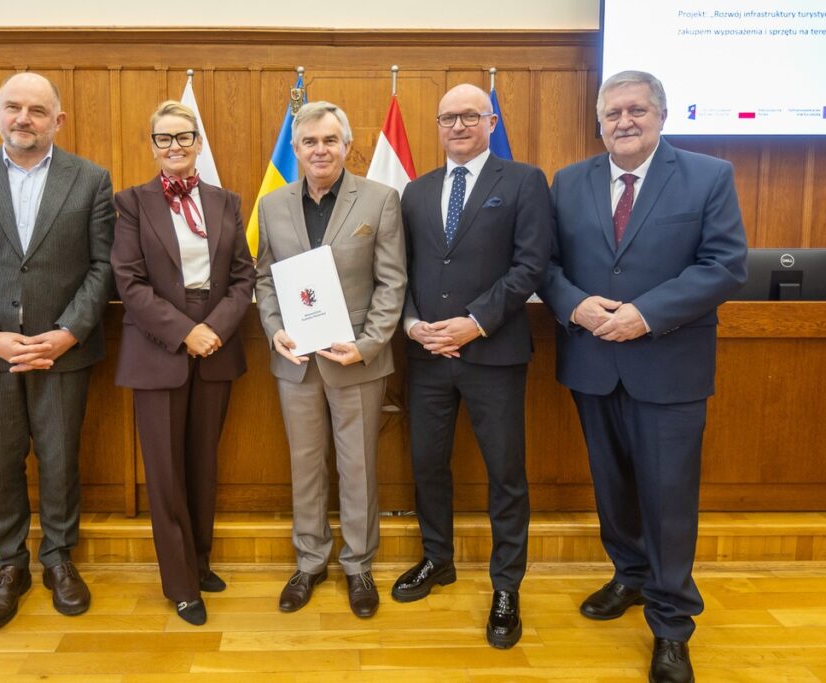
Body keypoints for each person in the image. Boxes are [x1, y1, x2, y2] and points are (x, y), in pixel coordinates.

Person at [537, 70, 747, 683]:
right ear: (598, 122)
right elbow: (545, 264)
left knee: (669, 501)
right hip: (592, 362)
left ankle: (673, 624)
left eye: (636, 110)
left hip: (669, 367)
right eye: (613, 114)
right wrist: (572, 303)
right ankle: (628, 577)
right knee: (614, 490)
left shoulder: (709, 175)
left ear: (661, 114)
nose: (624, 122)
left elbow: (725, 266)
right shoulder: (570, 181)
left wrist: (646, 314)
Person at [0, 72, 115, 632]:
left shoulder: (90, 179)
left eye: (37, 110)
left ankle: (59, 559)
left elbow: (103, 266)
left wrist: (67, 332)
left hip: (63, 352)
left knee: (60, 462)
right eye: (13, 107)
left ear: (57, 120)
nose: (23, 119)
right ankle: (10, 566)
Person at [391, 83, 551, 649]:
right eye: (447, 118)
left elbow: (532, 264)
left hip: (495, 354)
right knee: (427, 466)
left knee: (506, 476)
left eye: (469, 116)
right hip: (427, 354)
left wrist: (475, 322)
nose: (457, 126)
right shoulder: (415, 190)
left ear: (490, 121)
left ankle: (507, 586)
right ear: (437, 126)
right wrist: (413, 325)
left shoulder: (524, 181)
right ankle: (438, 559)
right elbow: (399, 271)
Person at [255, 101, 405, 619]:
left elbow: (393, 282)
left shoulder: (381, 200)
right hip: (295, 360)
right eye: (310, 142)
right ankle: (310, 560)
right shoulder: (273, 205)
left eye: (329, 140)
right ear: (295, 150)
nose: (320, 150)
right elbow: (263, 278)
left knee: (358, 465)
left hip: (356, 359)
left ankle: (359, 564)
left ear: (347, 145)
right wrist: (274, 330)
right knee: (305, 464)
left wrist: (367, 344)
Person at [110, 100, 255, 626]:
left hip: (216, 338)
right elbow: (129, 281)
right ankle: (180, 583)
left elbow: (244, 277)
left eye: (184, 137)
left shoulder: (226, 201)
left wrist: (213, 329)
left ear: (198, 144)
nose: (175, 147)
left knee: (202, 462)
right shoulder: (130, 203)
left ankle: (200, 560)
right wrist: (184, 331)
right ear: (152, 146)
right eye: (164, 138)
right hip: (159, 343)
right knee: (166, 471)